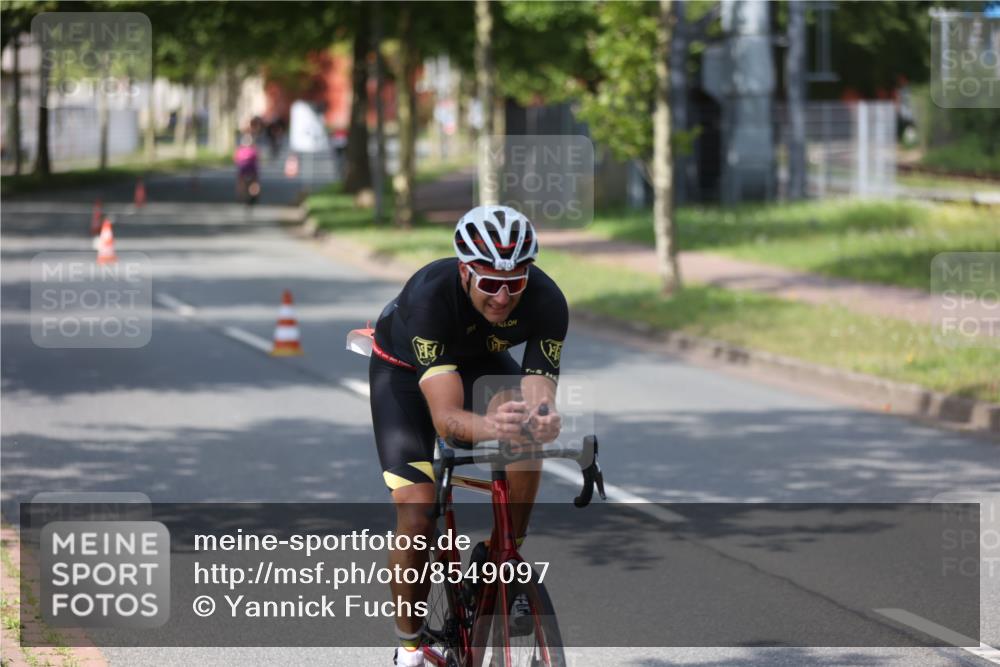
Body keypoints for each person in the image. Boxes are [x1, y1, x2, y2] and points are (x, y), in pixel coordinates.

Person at [368, 205, 568, 666]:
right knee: (417, 513)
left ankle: (505, 560)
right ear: (464, 271)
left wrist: (542, 416)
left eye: (514, 283)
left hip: (477, 360)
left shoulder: (548, 301)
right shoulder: (428, 298)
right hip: (404, 376)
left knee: (526, 434)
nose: (502, 297)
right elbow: (446, 418)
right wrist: (490, 427)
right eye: (490, 284)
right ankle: (411, 649)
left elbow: (538, 390)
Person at [233, 133, 260, 204]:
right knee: (254, 182)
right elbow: (257, 159)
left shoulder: (240, 150)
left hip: (243, 169)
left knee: (241, 182)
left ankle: (241, 196)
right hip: (252, 169)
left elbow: (236, 159)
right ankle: (254, 195)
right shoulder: (254, 150)